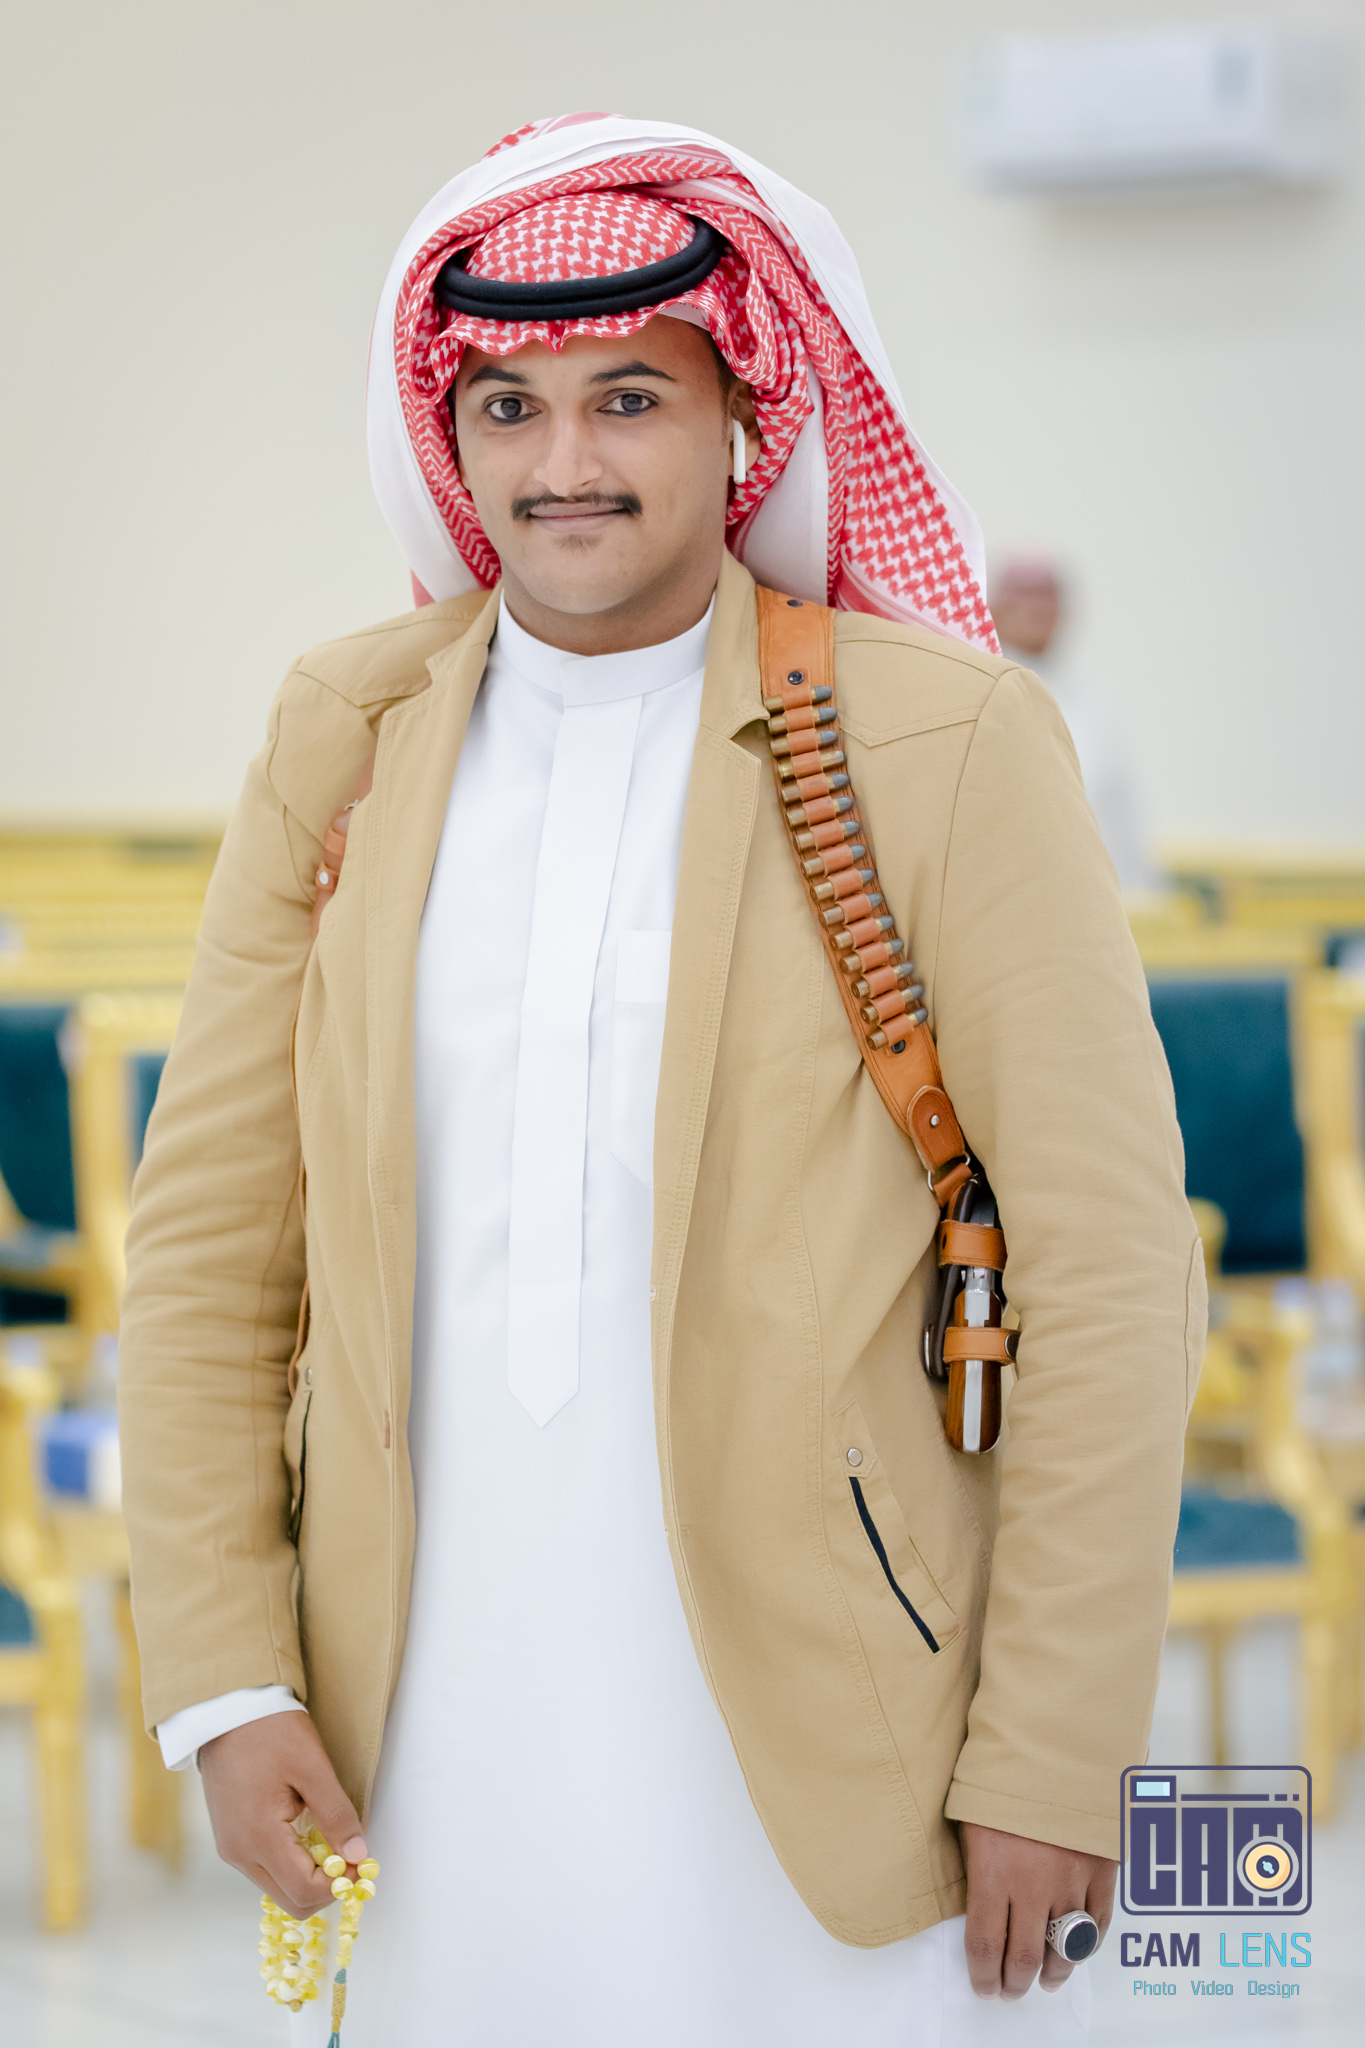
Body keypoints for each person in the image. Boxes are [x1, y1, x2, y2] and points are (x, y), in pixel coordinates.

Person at [118, 115, 1202, 2048]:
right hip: (421, 1722)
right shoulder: (346, 734)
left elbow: (1111, 1279)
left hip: (834, 1724)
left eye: (630, 397)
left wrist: (1054, 1745)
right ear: (452, 442)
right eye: (510, 408)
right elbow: (209, 1255)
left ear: (742, 418)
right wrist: (224, 1674)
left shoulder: (942, 739)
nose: (567, 462)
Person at [988, 557, 1156, 891]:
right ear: (995, 606)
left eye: (1048, 597)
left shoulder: (1092, 706)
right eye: (1025, 596)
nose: (1038, 609)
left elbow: (1121, 822)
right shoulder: (977, 692)